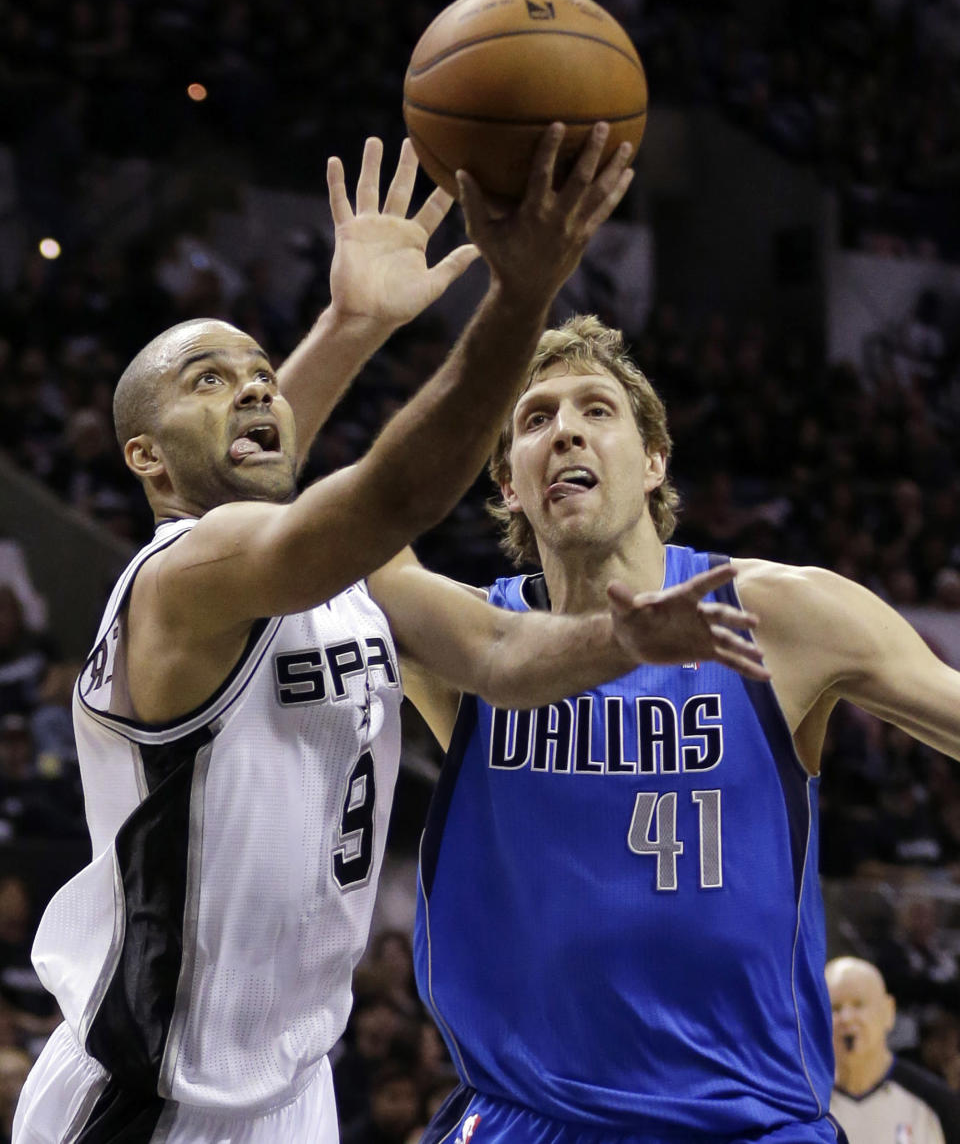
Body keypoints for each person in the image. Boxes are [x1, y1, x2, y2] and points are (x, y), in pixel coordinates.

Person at [12, 134, 764, 1144]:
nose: (248, 386)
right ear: (145, 457)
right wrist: (519, 298)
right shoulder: (182, 576)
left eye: (257, 370)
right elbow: (387, 492)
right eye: (205, 378)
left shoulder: (348, 583)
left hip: (291, 1087)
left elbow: (502, 658)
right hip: (153, 1096)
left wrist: (627, 644)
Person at [403, 314, 960, 1144]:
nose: (565, 433)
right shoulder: (465, 643)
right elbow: (323, 541)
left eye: (597, 410)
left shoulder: (778, 613)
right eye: (534, 418)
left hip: (743, 1120)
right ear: (508, 485)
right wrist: (365, 326)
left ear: (654, 460)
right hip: (529, 1119)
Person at [827, 956, 960, 1144]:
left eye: (859, 1004)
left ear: (889, 1011)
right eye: (835, 1008)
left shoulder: (939, 1105)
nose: (847, 1018)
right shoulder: (804, 1106)